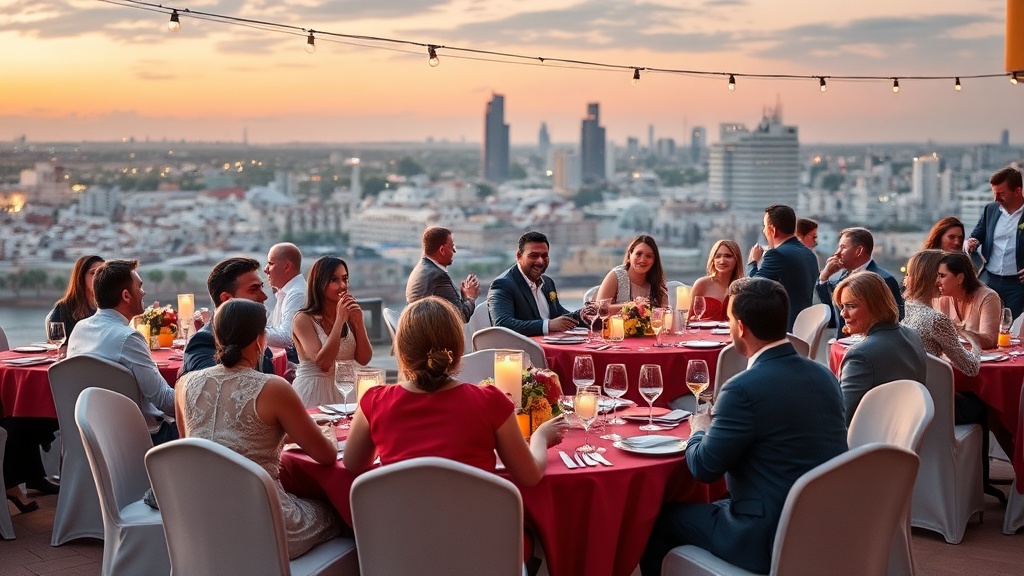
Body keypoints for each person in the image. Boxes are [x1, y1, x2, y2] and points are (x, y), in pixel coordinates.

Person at [640, 277, 847, 575]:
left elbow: (704, 469)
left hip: (763, 536)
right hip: (825, 527)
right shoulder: (824, 375)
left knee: (657, 520)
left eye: (729, 320)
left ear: (740, 327)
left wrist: (699, 428)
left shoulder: (742, 389)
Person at [175, 299, 341, 559]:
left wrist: (281, 436)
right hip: (266, 527)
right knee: (339, 513)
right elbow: (327, 455)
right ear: (260, 340)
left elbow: (198, 448)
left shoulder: (184, 385)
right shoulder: (273, 387)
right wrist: (328, 433)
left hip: (204, 525)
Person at [344, 296, 567, 485]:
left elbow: (353, 464)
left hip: (400, 524)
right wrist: (540, 437)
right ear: (458, 350)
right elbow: (529, 476)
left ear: (402, 351)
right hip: (476, 524)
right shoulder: (490, 402)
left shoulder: (375, 402)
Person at [66, 259, 178, 444]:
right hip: (143, 439)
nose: (143, 292)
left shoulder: (79, 328)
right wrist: (196, 388)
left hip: (92, 437)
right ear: (126, 296)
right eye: (139, 287)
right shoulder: (128, 338)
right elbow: (164, 401)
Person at [835, 271, 927, 425]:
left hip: (871, 436)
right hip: (908, 431)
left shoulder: (860, 355)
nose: (843, 314)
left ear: (876, 306)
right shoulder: (913, 335)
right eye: (842, 306)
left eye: (851, 306)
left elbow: (841, 417)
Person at [291, 256, 372, 407]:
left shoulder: (348, 315)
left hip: (347, 391)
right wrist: (339, 320)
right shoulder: (303, 319)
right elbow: (323, 363)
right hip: (314, 391)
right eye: (334, 280)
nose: (343, 285)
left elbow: (364, 359)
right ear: (319, 283)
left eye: (345, 279)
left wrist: (359, 322)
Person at [180, 257, 275, 378]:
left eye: (261, 287)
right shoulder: (203, 342)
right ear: (226, 299)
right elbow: (215, 384)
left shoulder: (255, 337)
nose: (264, 296)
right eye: (253, 289)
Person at [901, 250, 980, 376]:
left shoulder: (908, 307)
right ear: (932, 278)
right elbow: (971, 367)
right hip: (932, 385)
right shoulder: (936, 319)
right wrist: (975, 344)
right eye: (941, 275)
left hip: (911, 382)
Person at [816, 226, 904, 338]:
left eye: (843, 247)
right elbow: (833, 316)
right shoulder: (844, 277)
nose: (837, 253)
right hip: (843, 344)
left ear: (859, 251)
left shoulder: (883, 279)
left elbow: (894, 320)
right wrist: (824, 277)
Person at [487, 231, 579, 336]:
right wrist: (548, 325)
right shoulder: (502, 284)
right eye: (533, 256)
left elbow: (558, 313)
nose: (540, 261)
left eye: (544, 256)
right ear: (519, 256)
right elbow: (502, 324)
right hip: (523, 346)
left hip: (551, 343)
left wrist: (581, 315)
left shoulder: (548, 283)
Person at [746, 205, 819, 330]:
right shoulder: (809, 254)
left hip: (783, 328)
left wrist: (752, 262)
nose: (764, 231)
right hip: (804, 327)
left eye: (765, 226)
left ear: (772, 230)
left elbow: (752, 288)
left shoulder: (777, 254)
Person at [966, 166, 1024, 319]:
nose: (996, 199)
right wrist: (972, 243)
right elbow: (977, 235)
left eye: (1001, 194)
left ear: (1017, 191)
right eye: (994, 194)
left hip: (1017, 286)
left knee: (1010, 326)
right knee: (983, 322)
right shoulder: (990, 210)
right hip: (989, 280)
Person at [405, 226, 479, 323]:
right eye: (452, 246)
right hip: (431, 331)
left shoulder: (420, 269)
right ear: (442, 250)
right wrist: (470, 297)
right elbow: (460, 316)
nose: (454, 251)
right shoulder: (438, 276)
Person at [933, 251, 1001, 350]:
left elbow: (991, 341)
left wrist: (956, 331)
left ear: (960, 278)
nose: (937, 281)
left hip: (980, 358)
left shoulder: (988, 297)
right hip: (952, 356)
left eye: (942, 276)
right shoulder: (942, 298)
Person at [595, 235, 668, 314]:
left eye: (648, 256)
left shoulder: (657, 283)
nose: (642, 260)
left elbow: (665, 312)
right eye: (638, 254)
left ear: (654, 261)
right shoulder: (616, 276)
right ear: (629, 256)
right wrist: (633, 306)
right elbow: (599, 309)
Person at [46, 254, 104, 340]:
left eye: (103, 273)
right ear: (80, 277)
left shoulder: (111, 307)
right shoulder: (63, 309)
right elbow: (56, 343)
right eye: (93, 273)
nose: (99, 277)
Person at [264, 242, 305, 361]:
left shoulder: (297, 294)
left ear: (287, 267)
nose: (266, 269)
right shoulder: (286, 292)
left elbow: (287, 338)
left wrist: (247, 329)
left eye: (271, 264)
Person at [688, 240, 743, 322]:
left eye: (728, 256)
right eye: (718, 256)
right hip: (703, 330)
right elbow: (689, 319)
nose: (722, 261)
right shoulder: (702, 284)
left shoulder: (742, 288)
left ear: (737, 259)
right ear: (713, 260)